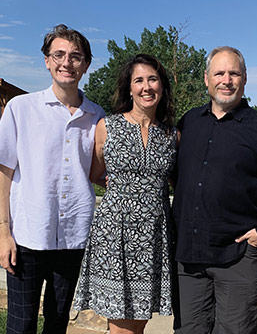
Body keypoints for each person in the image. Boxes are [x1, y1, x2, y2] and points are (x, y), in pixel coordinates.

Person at [172, 46, 257, 334]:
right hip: (189, 257)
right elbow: (176, 177)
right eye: (219, 73)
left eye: (234, 73)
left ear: (244, 79)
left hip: (239, 256)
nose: (226, 80)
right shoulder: (188, 123)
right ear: (207, 79)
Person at [0, 24, 105, 334]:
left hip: (74, 238)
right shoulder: (21, 109)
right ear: (46, 60)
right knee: (21, 325)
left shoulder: (98, 117)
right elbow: (4, 172)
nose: (66, 62)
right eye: (58, 54)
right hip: (28, 236)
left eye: (75, 56)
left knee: (58, 323)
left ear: (85, 65)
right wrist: (3, 232)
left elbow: (100, 173)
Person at [74, 54, 177, 334]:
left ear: (162, 86)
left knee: (139, 325)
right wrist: (125, 193)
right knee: (121, 327)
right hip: (115, 235)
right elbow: (95, 173)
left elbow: (177, 181)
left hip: (153, 237)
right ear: (129, 88)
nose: (146, 87)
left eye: (153, 79)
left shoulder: (171, 135)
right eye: (139, 80)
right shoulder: (108, 127)